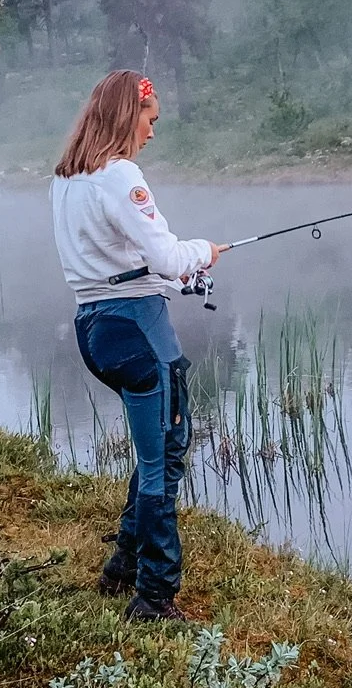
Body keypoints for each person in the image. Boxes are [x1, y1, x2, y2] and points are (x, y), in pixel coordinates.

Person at [51, 70, 226, 621]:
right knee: (165, 462)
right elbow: (169, 257)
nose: (152, 132)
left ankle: (122, 565)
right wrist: (203, 252)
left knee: (155, 455)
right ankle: (154, 596)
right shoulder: (122, 176)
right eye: (150, 120)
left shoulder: (67, 180)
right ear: (130, 115)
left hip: (95, 328)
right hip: (140, 332)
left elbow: (122, 266)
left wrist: (178, 275)